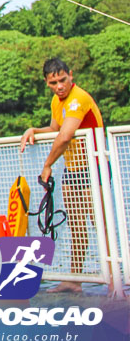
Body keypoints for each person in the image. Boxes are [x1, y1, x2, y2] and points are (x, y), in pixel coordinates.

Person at [19, 56, 103, 294]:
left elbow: (65, 136)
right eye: (53, 83)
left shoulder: (79, 99)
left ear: (71, 75)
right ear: (47, 83)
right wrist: (33, 129)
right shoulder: (57, 101)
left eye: (63, 80)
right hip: (73, 170)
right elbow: (54, 129)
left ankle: (118, 282)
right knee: (77, 225)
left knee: (102, 225)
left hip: (93, 167)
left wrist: (47, 166)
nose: (59, 86)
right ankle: (74, 280)